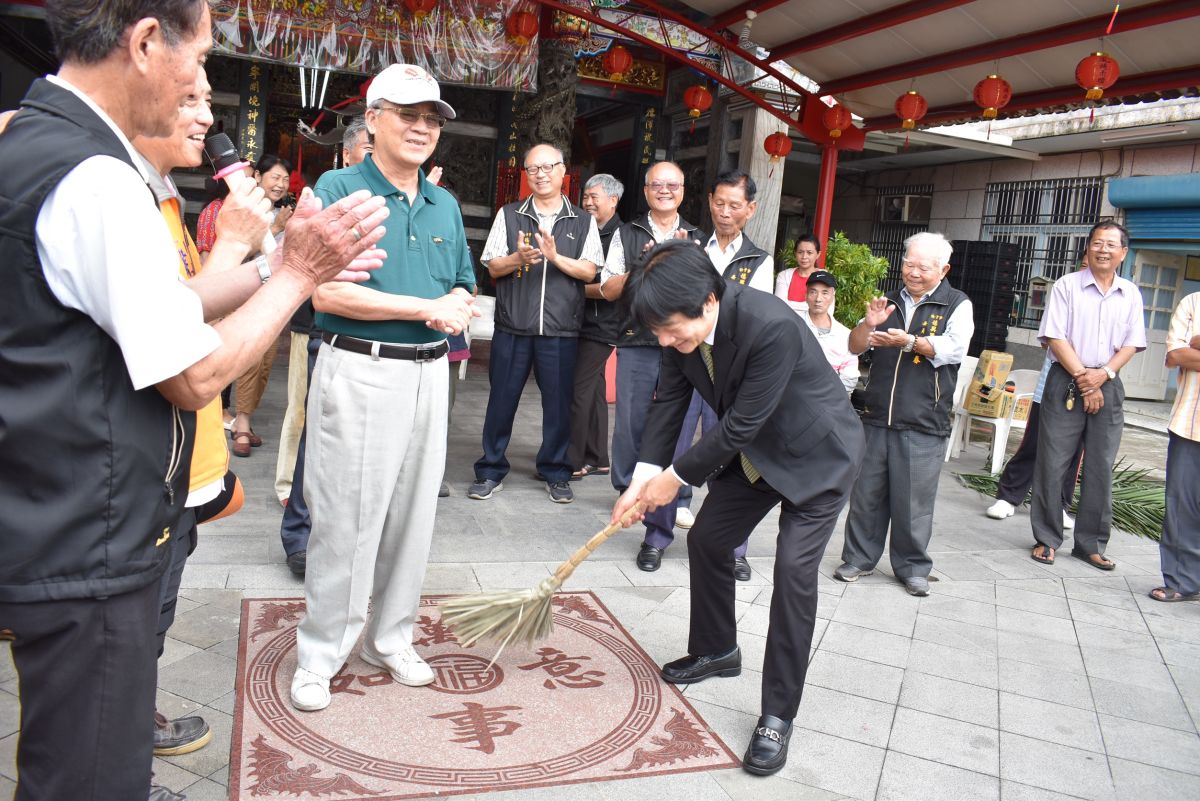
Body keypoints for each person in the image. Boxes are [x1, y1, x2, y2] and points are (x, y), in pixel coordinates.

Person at [0, 2, 388, 798]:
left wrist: (274, 262)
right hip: (90, 533)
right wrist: (298, 278)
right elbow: (193, 371)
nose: (202, 89)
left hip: (56, 511)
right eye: (202, 58)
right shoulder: (94, 177)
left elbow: (164, 305)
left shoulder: (38, 144)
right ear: (146, 41)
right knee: (91, 777)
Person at [611, 240, 864, 776]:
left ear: (708, 301)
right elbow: (669, 400)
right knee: (707, 539)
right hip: (756, 454)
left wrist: (674, 479)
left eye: (670, 330)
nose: (665, 341)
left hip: (818, 455)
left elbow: (741, 423)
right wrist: (642, 478)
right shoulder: (677, 324)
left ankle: (778, 714)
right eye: (657, 332)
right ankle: (718, 649)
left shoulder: (769, 325)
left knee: (793, 572)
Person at [289, 63, 478, 713]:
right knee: (346, 519)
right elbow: (325, 292)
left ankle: (390, 638)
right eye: (408, 114)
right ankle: (320, 652)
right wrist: (424, 308)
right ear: (372, 120)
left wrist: (456, 303)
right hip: (361, 368)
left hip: (430, 373)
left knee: (413, 518)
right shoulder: (340, 187)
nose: (422, 128)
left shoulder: (444, 203)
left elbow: (462, 282)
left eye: (432, 119)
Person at [835, 232, 974, 596]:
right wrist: (868, 324)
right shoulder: (890, 301)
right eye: (909, 264)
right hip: (876, 414)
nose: (912, 272)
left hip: (924, 418)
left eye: (922, 267)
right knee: (866, 495)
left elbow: (954, 349)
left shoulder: (956, 304)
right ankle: (858, 558)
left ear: (943, 270)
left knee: (914, 502)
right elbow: (854, 346)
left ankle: (912, 567)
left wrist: (909, 342)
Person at [469, 143, 603, 504]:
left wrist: (555, 257)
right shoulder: (510, 214)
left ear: (563, 171)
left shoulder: (583, 221)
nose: (541, 175)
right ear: (526, 175)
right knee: (501, 401)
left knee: (558, 405)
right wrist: (517, 258)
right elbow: (492, 265)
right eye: (533, 169)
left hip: (560, 329)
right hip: (514, 326)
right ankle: (490, 469)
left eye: (548, 167)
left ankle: (556, 471)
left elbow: (589, 271)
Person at [599, 161, 705, 572]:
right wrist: (643, 267)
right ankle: (630, 488)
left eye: (672, 185)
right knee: (631, 422)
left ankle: (677, 496)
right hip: (636, 341)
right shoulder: (627, 233)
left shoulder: (696, 236)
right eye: (656, 184)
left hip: (683, 345)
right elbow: (608, 288)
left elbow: (705, 291)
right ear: (645, 191)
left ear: (683, 191)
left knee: (681, 425)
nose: (664, 190)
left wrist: (680, 259)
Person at [278, 118, 374, 569]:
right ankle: (299, 531)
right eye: (369, 145)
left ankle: (349, 538)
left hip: (385, 339)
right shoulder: (333, 186)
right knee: (317, 434)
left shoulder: (418, 196)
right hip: (330, 327)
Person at [671, 169, 773, 577]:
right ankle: (656, 535)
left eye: (734, 205)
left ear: (750, 209)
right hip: (687, 360)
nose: (725, 212)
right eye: (719, 203)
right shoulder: (691, 245)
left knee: (729, 456)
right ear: (709, 201)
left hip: (729, 369)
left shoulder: (759, 260)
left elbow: (755, 315)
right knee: (675, 444)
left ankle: (733, 547)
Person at [1030, 222, 1146, 570]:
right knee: (1053, 461)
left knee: (1100, 465)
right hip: (1066, 379)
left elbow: (1132, 343)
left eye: (1111, 245)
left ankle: (1090, 544)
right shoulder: (1067, 286)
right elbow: (1055, 337)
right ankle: (1047, 539)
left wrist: (1103, 376)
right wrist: (1085, 379)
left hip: (1107, 381)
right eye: (1097, 243)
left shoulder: (1131, 293)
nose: (1103, 250)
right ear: (1088, 248)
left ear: (1123, 253)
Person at [230, 153, 294, 457]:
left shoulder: (284, 213)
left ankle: (246, 417)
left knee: (266, 363)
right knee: (251, 360)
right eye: (275, 177)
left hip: (276, 296)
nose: (280, 184)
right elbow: (238, 253)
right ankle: (241, 423)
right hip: (248, 296)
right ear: (258, 177)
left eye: (285, 179)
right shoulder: (248, 211)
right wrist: (277, 228)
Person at [569, 173, 624, 480]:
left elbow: (610, 287)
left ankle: (573, 460)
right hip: (584, 320)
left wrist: (571, 288)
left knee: (577, 389)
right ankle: (599, 456)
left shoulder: (619, 235)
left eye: (594, 197)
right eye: (585, 197)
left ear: (613, 201)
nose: (587, 202)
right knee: (594, 389)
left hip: (602, 324)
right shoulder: (587, 228)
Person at [985, 355, 1083, 525]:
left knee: (1073, 451)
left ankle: (1059, 506)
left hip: (1090, 390)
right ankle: (1008, 497)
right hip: (1051, 384)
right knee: (1033, 444)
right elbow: (1050, 343)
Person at [1152, 293, 1200, 602]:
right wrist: (1186, 350)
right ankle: (1182, 581)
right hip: (1190, 423)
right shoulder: (1192, 303)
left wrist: (1196, 344)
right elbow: (1175, 356)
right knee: (1182, 508)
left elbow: (1188, 352)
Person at [801, 270, 859, 392]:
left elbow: (849, 377)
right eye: (813, 292)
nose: (818, 299)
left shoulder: (844, 335)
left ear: (833, 296)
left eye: (825, 292)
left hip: (830, 399)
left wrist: (830, 398)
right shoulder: (793, 325)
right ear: (805, 295)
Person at [775, 234, 821, 313]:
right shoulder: (784, 276)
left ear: (818, 254)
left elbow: (827, 310)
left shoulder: (824, 277)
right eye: (800, 252)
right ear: (795, 253)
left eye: (809, 253)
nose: (804, 257)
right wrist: (812, 306)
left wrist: (789, 306)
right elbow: (779, 305)